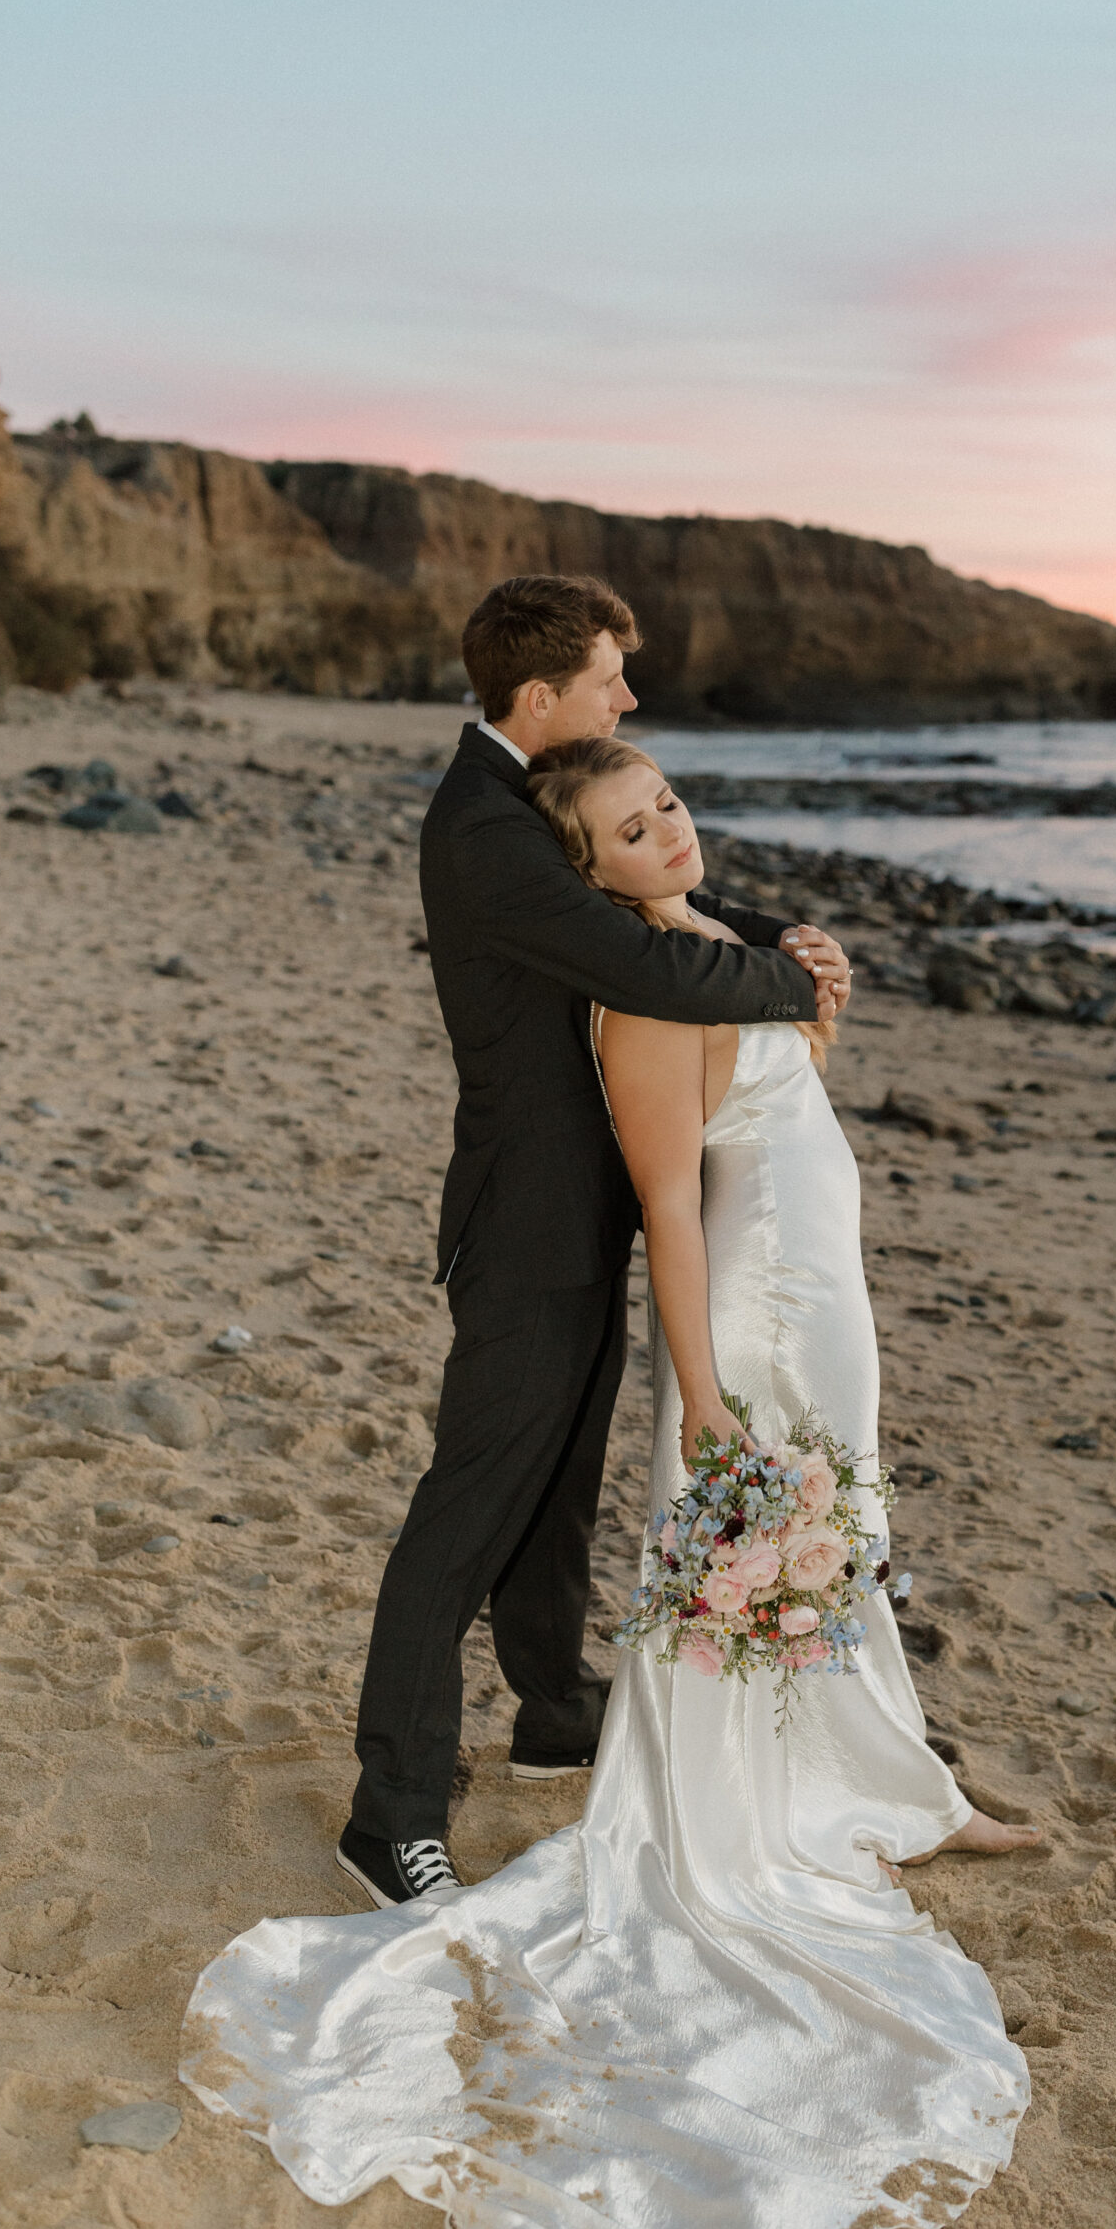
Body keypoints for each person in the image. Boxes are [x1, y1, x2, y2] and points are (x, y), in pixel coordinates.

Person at [183, 736, 1038, 2229]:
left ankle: (877, 1777)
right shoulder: (642, 992)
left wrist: (816, 995)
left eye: (673, 806)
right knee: (757, 1553)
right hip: (762, 1310)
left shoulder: (710, 951)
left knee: (832, 1551)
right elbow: (674, 1198)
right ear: (588, 870)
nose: (671, 834)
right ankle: (756, 1807)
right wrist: (701, 1390)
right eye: (635, 830)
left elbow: (774, 1107)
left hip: (822, 1288)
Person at [335, 574, 851, 1909]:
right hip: (526, 1229)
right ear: (543, 693)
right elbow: (642, 972)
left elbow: (649, 920)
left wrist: (767, 935)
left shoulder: (525, 804)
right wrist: (791, 982)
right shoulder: (482, 828)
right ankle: (389, 1811)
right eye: (612, 678)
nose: (628, 699)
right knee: (467, 1511)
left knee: (559, 1487)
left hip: (584, 1213)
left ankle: (556, 1707)